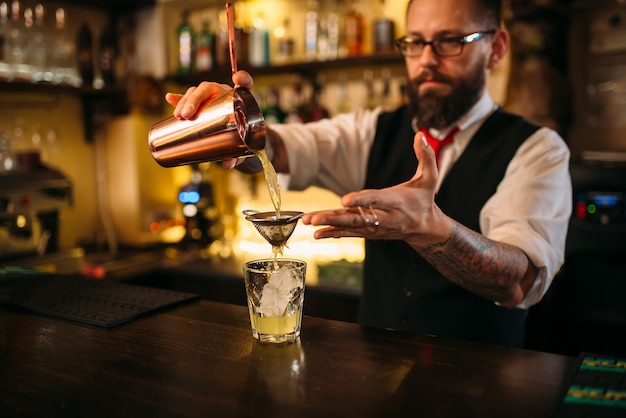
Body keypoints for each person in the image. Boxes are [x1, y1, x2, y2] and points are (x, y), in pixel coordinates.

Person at [165, 0, 572, 348]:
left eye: (450, 41)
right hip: (379, 380)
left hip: (483, 389)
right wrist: (237, 127)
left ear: (496, 48)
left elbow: (519, 280)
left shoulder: (537, 149)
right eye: (414, 43)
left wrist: (436, 232)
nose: (426, 59)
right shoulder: (372, 131)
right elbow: (283, 148)